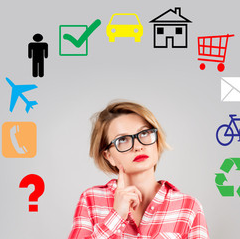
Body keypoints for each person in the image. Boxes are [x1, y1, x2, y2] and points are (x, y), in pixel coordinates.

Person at [68, 101, 209, 239]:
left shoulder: (188, 207)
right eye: (123, 140)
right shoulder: (91, 200)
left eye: (144, 133)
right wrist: (115, 217)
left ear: (156, 140)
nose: (138, 146)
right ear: (109, 156)